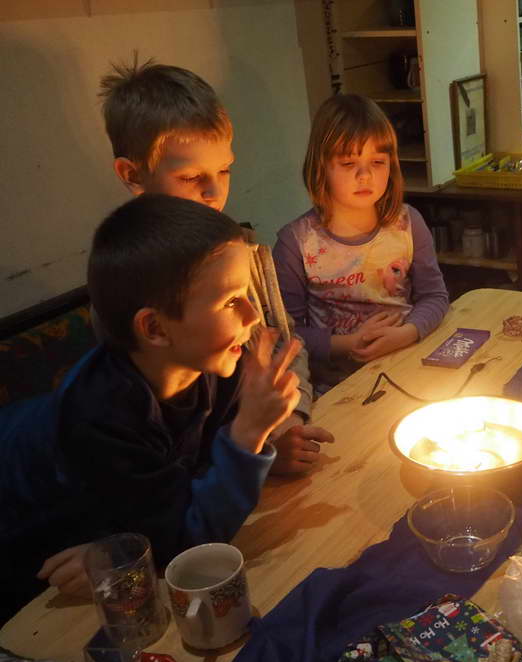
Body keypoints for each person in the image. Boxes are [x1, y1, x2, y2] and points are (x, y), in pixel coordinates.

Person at [0, 195, 299, 623]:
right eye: (231, 301)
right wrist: (249, 435)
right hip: (24, 522)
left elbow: (196, 468)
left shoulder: (216, 361)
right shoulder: (99, 416)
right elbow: (185, 544)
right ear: (156, 328)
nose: (252, 315)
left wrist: (266, 447)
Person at [98, 56, 332, 474]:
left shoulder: (239, 251)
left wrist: (289, 420)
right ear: (132, 174)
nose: (214, 192)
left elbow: (282, 342)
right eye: (191, 178)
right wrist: (257, 448)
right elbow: (174, 441)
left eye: (224, 170)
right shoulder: (128, 283)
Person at [273, 94, 449, 394]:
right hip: (337, 388)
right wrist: (346, 344)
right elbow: (286, 335)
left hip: (408, 368)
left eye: (377, 162)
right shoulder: (296, 242)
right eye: (348, 163)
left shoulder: (408, 223)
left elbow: (435, 296)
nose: (365, 175)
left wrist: (407, 333)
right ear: (321, 167)